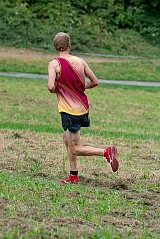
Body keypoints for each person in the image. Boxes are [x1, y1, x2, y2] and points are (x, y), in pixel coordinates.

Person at [47, 32, 119, 183]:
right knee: (67, 139)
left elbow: (50, 87)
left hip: (69, 110)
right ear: (69, 45)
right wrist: (79, 89)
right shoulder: (80, 61)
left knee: (74, 148)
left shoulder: (54, 63)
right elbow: (95, 81)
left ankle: (106, 152)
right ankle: (73, 175)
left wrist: (61, 89)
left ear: (55, 47)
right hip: (82, 108)